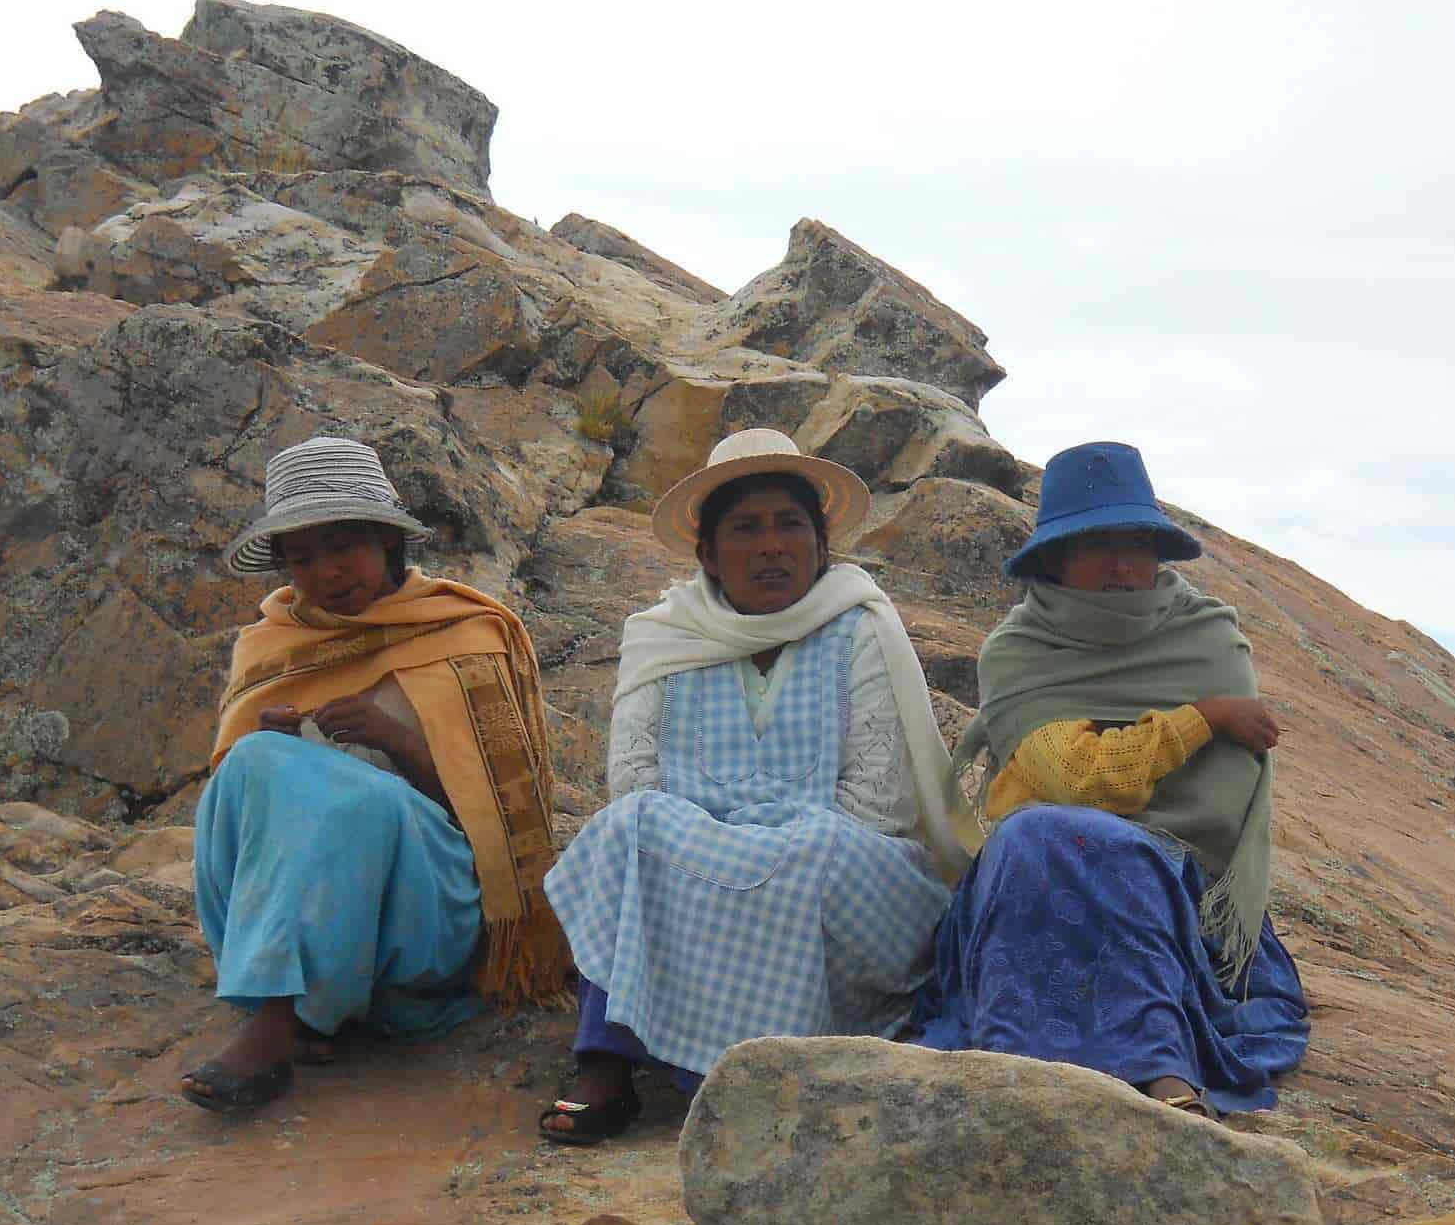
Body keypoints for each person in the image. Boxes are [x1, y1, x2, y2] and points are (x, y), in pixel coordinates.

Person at [538, 428, 977, 1144]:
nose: (771, 545)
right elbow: (633, 780)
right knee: (627, 827)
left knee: (812, 849)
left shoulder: (862, 629)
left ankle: (773, 1075)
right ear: (708, 552)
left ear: (820, 542)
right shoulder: (661, 636)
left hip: (842, 862)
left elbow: (875, 803)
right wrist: (730, 848)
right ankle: (604, 1068)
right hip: (705, 855)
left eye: (790, 525)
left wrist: (741, 845)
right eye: (745, 528)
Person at [903, 440, 1309, 1115]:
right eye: (1097, 546)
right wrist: (1200, 719)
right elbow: (1073, 780)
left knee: (1101, 849)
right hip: (1035, 876)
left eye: (1137, 544)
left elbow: (1210, 804)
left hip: (1178, 889)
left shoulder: (1207, 639)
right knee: (1047, 832)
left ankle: (1162, 1074)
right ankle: (1019, 1072)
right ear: (1056, 561)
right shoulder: (1020, 653)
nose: (1122, 565)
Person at [180, 435, 568, 1112]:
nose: (329, 572)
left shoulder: (464, 636)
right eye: (303, 558)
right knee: (254, 761)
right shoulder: (269, 646)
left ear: (390, 542)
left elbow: (505, 823)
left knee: (359, 803)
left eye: (345, 545)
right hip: (284, 904)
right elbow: (231, 813)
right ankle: (312, 1000)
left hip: (425, 908)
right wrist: (281, 758)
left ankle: (280, 1022)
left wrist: (400, 744)